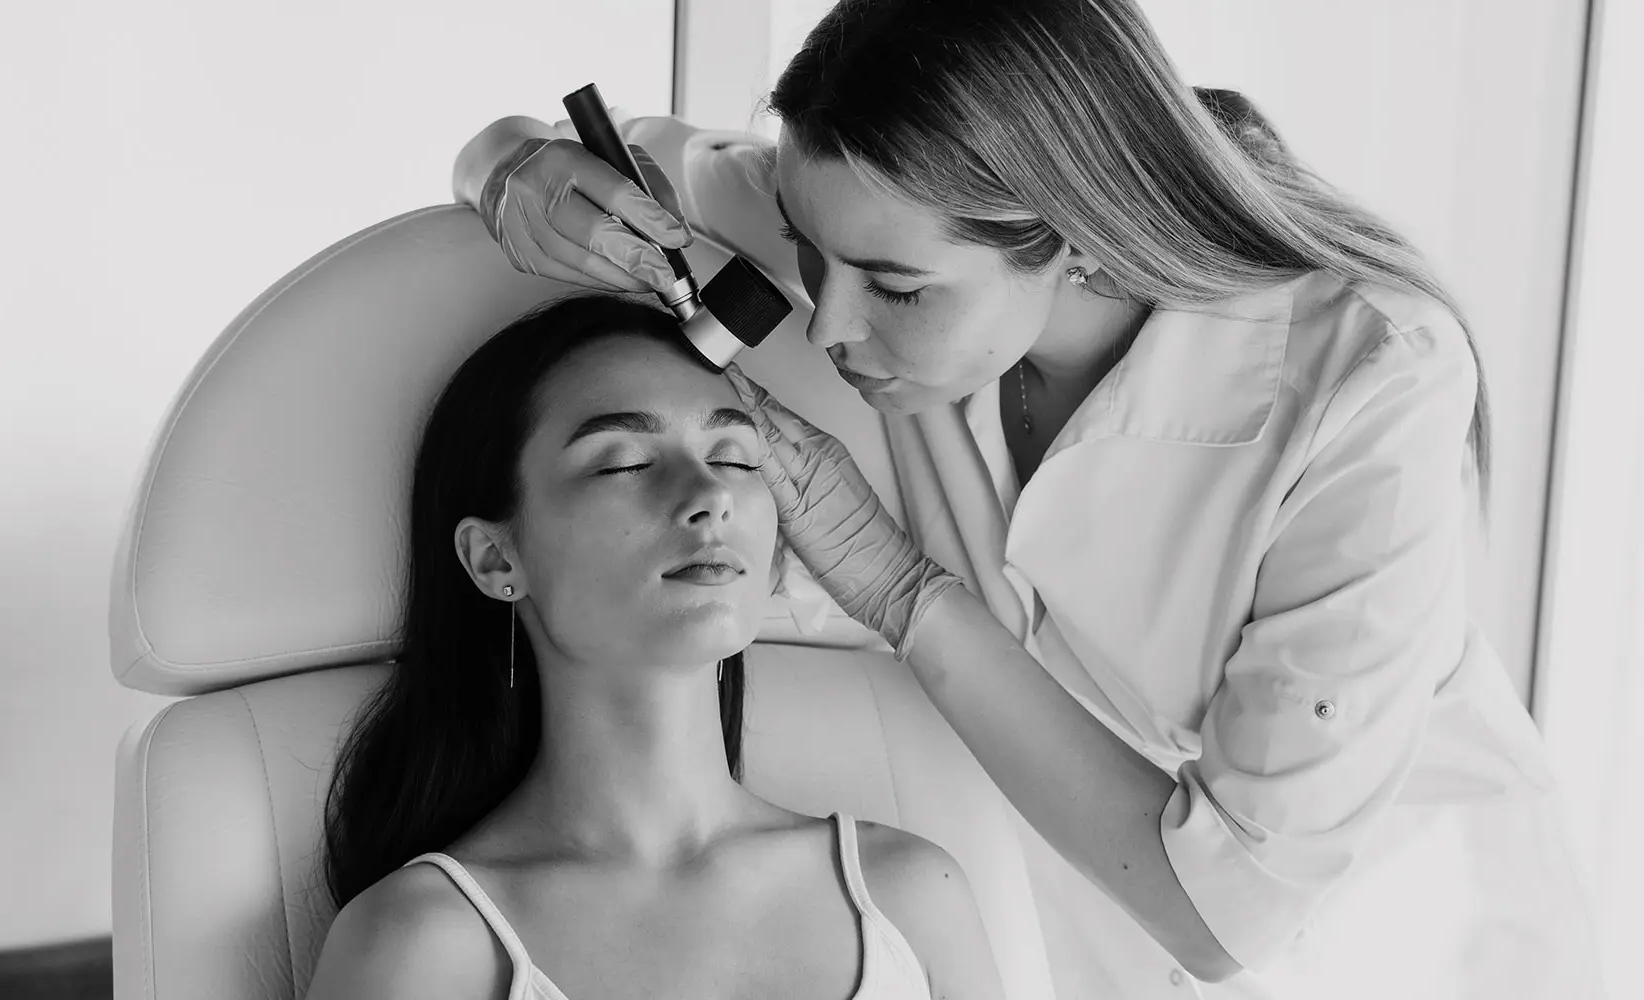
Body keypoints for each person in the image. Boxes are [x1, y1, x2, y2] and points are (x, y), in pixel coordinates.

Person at [446, 2, 1601, 998]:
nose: (829, 322)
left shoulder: (1372, 385)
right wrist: (507, 171)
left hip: (1396, 950)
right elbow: (563, 156)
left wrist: (897, 586)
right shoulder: (862, 218)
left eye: (898, 290)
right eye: (808, 250)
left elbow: (1230, 910)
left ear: (1084, 242)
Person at [304, 294, 1008, 1000]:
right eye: (624, 464)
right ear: (495, 559)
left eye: (734, 458)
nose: (710, 494)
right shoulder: (421, 945)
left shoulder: (909, 898)